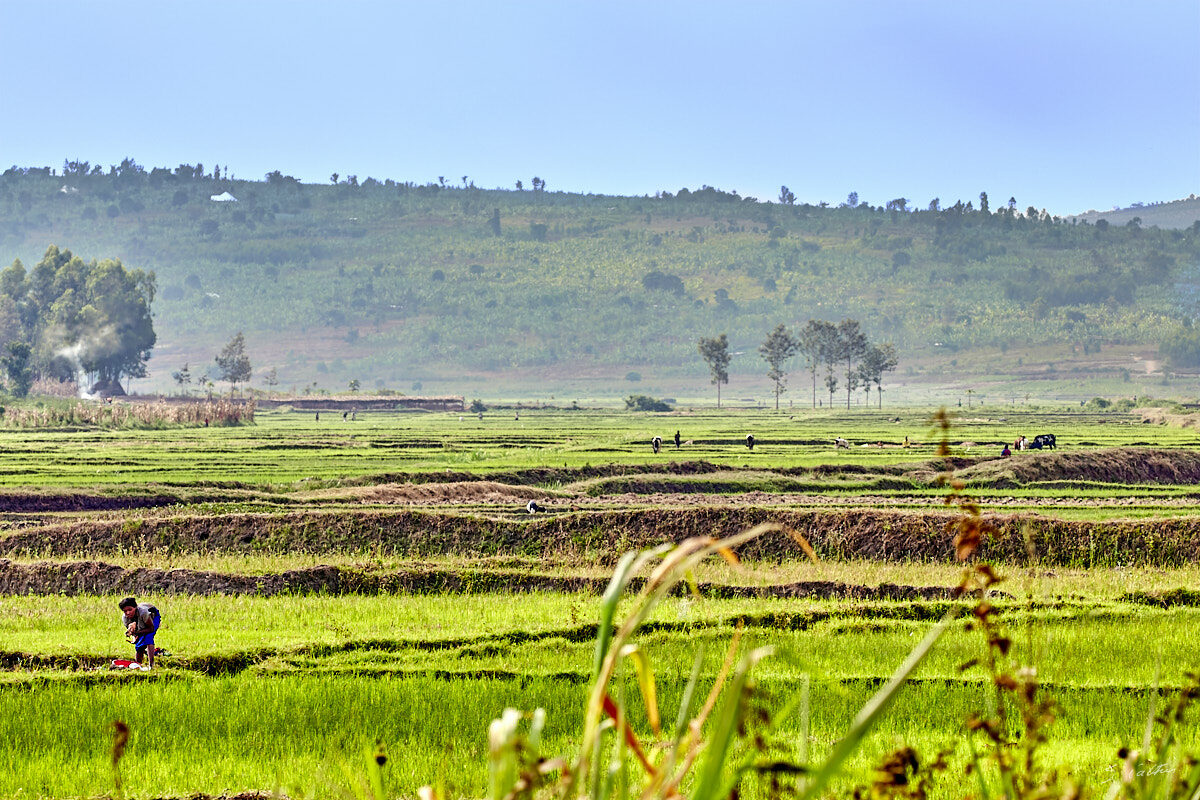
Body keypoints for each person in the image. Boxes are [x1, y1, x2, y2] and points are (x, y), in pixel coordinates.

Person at [119, 597, 161, 669]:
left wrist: (138, 632)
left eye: (130, 610)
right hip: (141, 621)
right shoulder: (125, 618)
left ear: (135, 608)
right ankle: (138, 665)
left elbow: (151, 628)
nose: (128, 613)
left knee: (148, 638)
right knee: (139, 646)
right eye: (125, 611)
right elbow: (133, 632)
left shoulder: (143, 613)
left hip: (153, 616)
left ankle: (151, 665)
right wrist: (135, 637)